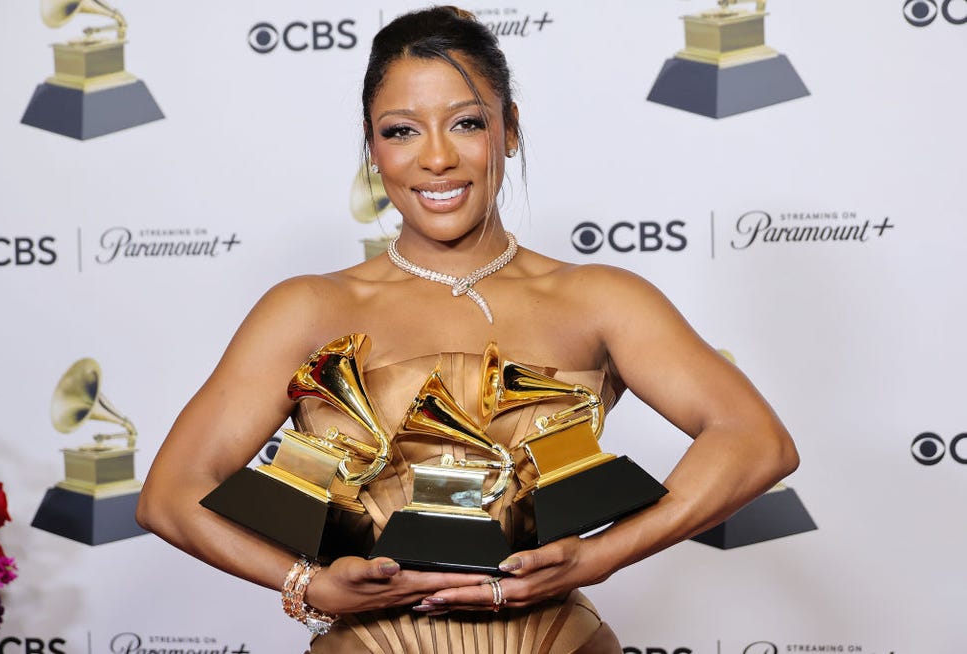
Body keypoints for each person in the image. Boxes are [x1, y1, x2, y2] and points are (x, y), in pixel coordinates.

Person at [136, 6, 799, 653]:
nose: (436, 159)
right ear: (372, 148)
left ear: (509, 129)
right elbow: (171, 493)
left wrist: (599, 558)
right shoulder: (307, 308)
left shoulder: (598, 298)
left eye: (465, 123)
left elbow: (754, 440)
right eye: (400, 131)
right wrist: (305, 583)